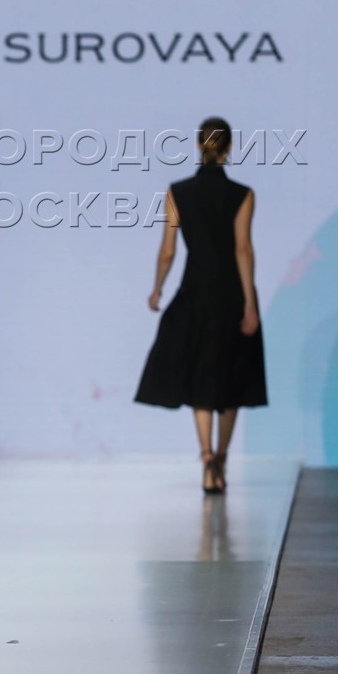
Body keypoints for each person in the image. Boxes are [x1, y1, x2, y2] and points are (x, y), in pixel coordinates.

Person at [135, 116, 267, 493]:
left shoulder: (178, 191)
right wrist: (249, 303)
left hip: (195, 293)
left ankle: (207, 457)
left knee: (201, 377)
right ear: (229, 147)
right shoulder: (243, 194)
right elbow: (242, 249)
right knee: (232, 378)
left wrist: (157, 290)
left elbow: (168, 250)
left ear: (198, 145)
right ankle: (220, 459)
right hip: (231, 293)